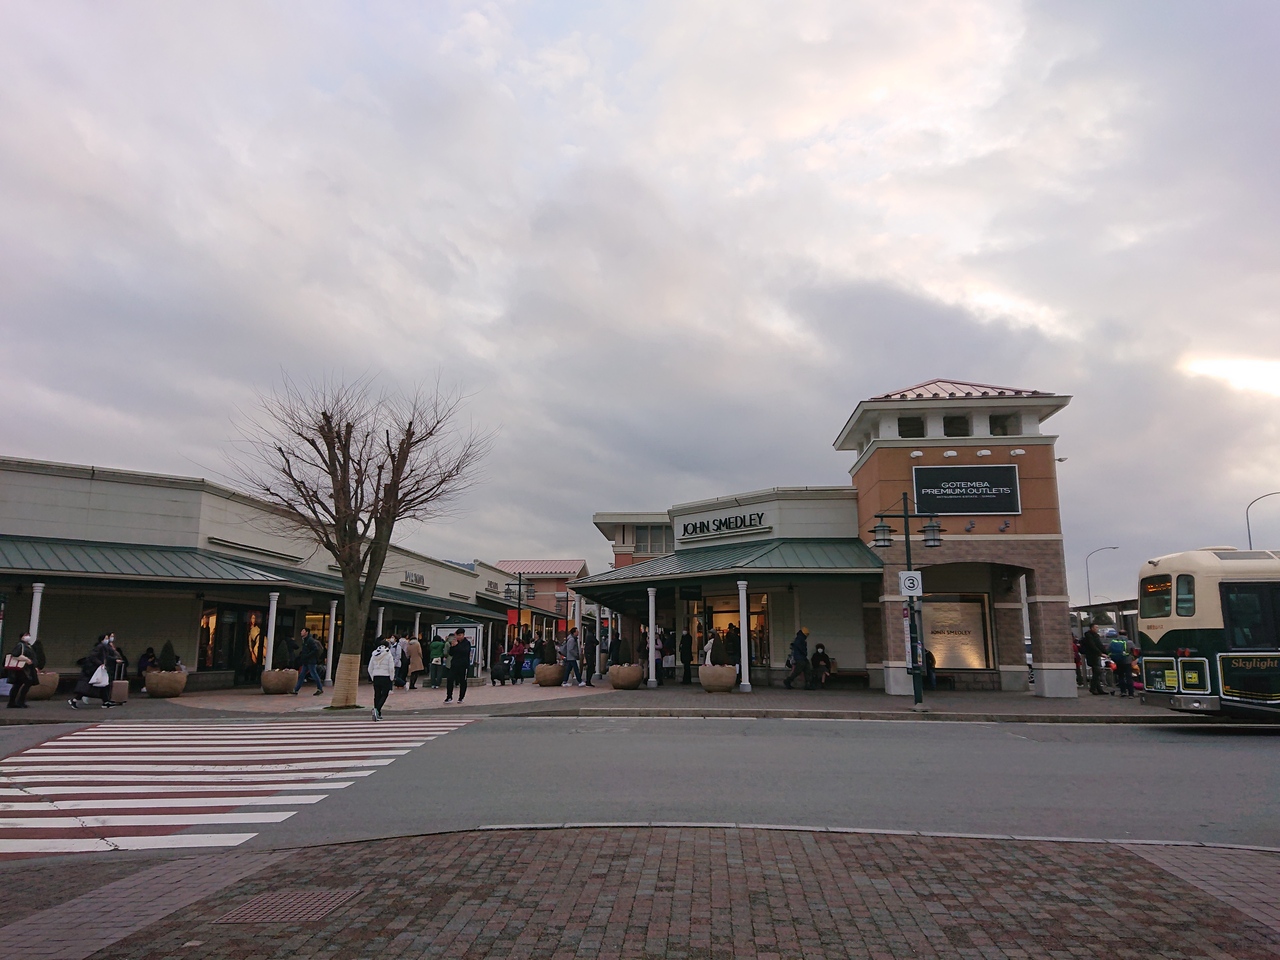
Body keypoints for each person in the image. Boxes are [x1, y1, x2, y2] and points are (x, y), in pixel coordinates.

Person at [71, 633, 122, 709]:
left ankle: (106, 701)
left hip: (98, 669)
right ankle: (75, 700)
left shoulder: (103, 647)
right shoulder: (100, 647)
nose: (108, 639)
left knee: (103, 684)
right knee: (93, 686)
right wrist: (100, 663)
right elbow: (93, 656)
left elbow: (106, 656)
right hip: (96, 670)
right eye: (106, 638)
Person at [6, 631, 39, 709]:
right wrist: (26, 659)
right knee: (27, 682)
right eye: (26, 635)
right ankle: (19, 701)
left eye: (29, 635)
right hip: (22, 669)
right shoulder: (20, 645)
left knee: (18, 685)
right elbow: (15, 654)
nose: (28, 637)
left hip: (25, 668)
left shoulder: (27, 646)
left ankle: (13, 702)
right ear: (22, 637)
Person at [367, 638, 395, 721]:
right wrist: (391, 677)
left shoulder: (374, 654)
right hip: (385, 676)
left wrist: (373, 676)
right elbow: (391, 668)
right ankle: (377, 710)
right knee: (384, 694)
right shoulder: (388, 654)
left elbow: (370, 668)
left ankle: (378, 713)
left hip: (376, 676)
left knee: (377, 695)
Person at [292, 628, 325, 695]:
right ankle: (296, 690)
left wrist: (307, 655)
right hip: (306, 661)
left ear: (306, 632)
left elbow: (315, 649)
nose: (301, 632)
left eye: (303, 631)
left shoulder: (310, 640)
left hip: (310, 661)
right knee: (302, 675)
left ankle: (320, 688)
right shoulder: (305, 640)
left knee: (314, 674)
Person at [445, 628, 471, 704]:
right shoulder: (454, 642)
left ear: (463, 635)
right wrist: (453, 646)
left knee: (463, 681)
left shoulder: (467, 643)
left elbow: (465, 652)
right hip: (454, 664)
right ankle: (449, 696)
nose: (459, 637)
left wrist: (457, 646)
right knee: (450, 679)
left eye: (460, 635)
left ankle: (461, 697)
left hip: (463, 665)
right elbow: (451, 653)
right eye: (457, 635)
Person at [1081, 624, 1108, 695]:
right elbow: (1092, 645)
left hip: (1096, 655)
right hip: (1092, 656)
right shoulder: (1089, 636)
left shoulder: (1095, 636)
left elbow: (1099, 645)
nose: (1097, 629)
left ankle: (1098, 689)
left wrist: (1106, 652)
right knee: (1097, 671)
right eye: (1096, 627)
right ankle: (1093, 688)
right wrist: (1100, 653)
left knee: (1097, 672)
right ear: (1092, 628)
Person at [1110, 629, 1135, 698]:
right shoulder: (1129, 642)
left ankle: (1123, 692)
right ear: (1126, 635)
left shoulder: (1114, 642)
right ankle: (1131, 693)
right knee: (1128, 677)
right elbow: (1134, 651)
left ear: (1119, 634)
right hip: (1127, 661)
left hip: (1118, 661)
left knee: (1121, 676)